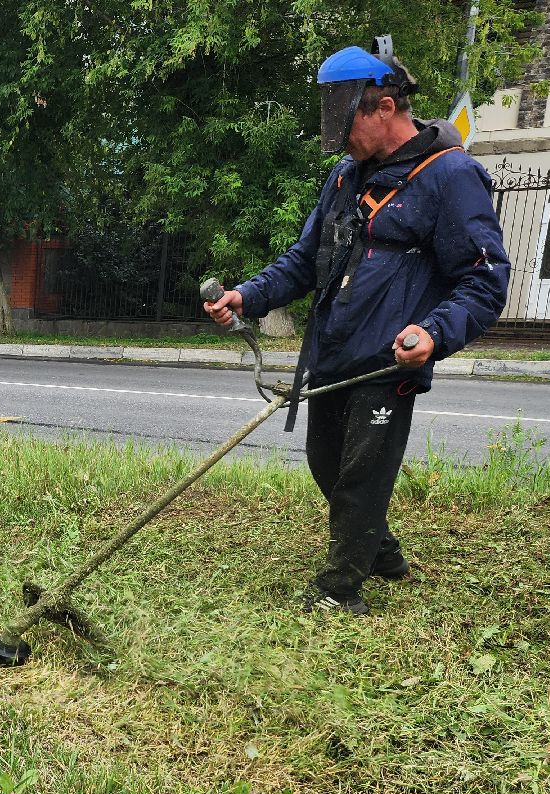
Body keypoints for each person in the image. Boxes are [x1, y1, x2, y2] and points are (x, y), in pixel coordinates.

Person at [205, 36, 509, 616]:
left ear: (385, 107)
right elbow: (305, 260)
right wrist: (249, 296)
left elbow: (484, 279)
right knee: (326, 463)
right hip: (334, 353)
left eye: (347, 123)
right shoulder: (348, 177)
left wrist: (435, 333)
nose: (341, 138)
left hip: (387, 363)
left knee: (360, 479)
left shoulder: (451, 177)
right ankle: (384, 554)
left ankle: (339, 590)